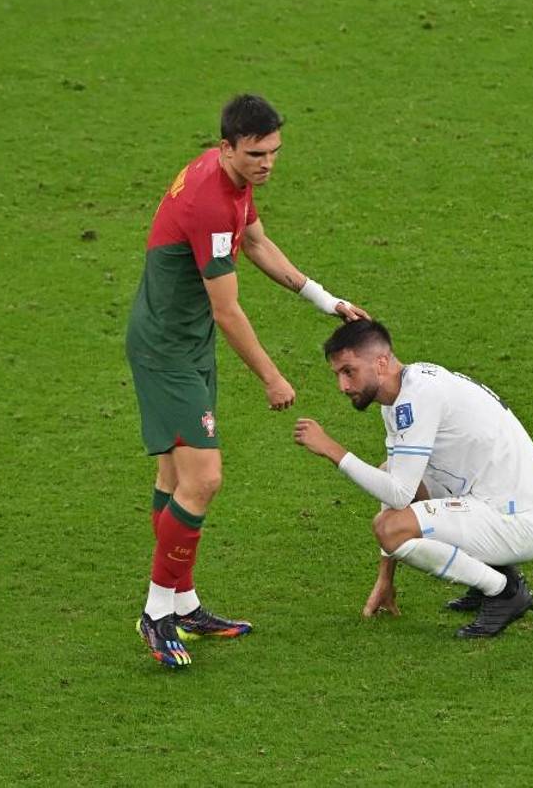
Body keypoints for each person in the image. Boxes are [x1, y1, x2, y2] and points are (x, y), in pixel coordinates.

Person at [126, 94, 369, 668]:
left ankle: (182, 602)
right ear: (226, 146)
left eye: (275, 153)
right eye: (256, 154)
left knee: (176, 474)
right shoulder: (210, 200)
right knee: (204, 479)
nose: (267, 164)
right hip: (169, 350)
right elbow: (227, 311)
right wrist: (272, 377)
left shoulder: (230, 178)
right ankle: (157, 612)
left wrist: (324, 300)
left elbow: (256, 241)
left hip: (182, 341)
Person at [293, 320, 533, 638]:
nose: (343, 386)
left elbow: (399, 496)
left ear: (380, 362)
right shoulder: (403, 390)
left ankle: (503, 591)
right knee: (389, 470)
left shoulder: (417, 398)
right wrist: (385, 579)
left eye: (349, 371)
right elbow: (395, 478)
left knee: (389, 528)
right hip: (494, 500)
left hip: (520, 519)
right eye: (338, 374)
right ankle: (489, 573)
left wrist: (332, 449)